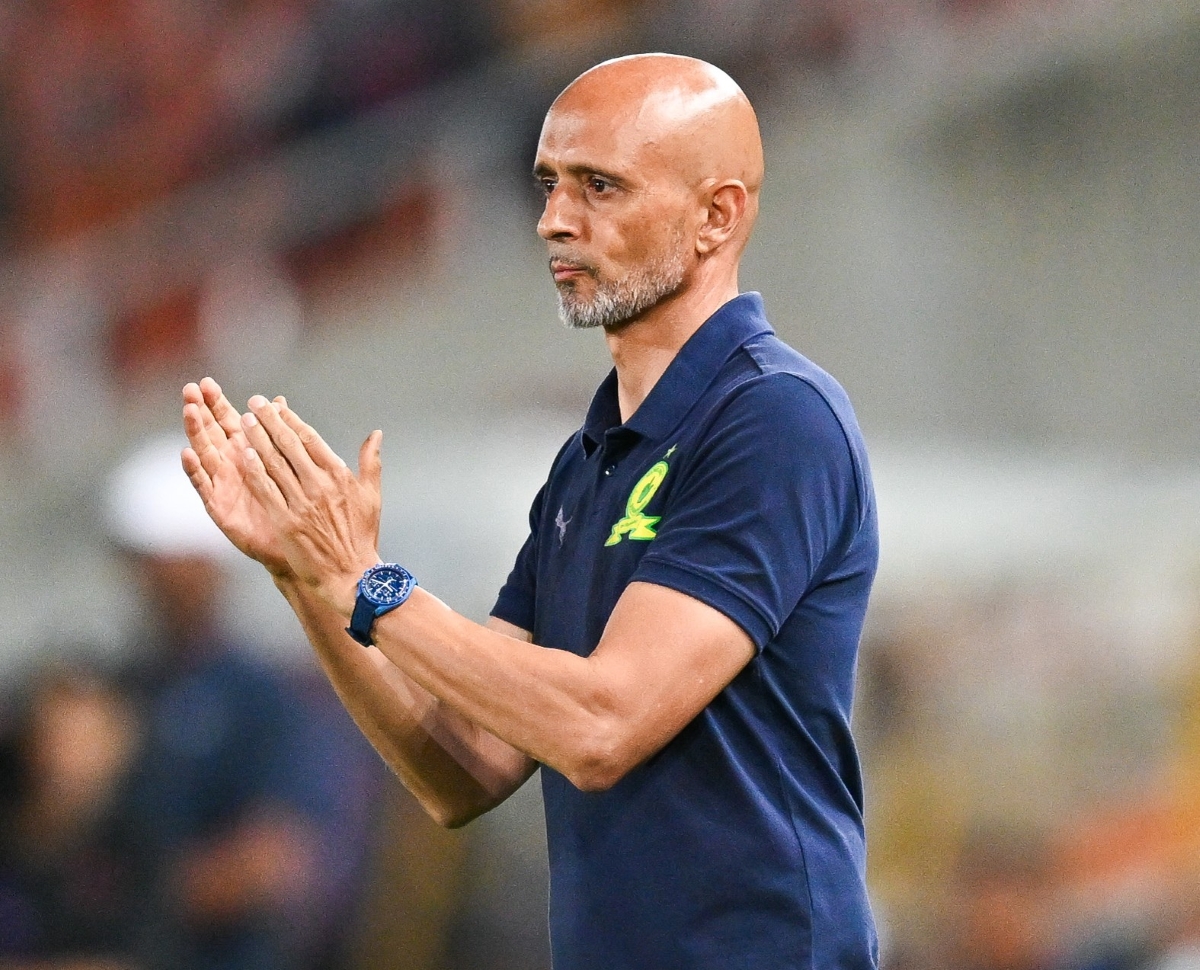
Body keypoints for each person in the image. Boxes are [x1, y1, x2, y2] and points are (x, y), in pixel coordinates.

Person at [181, 52, 880, 969]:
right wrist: (311, 580)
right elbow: (464, 765)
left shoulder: (774, 419)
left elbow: (601, 726)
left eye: (600, 186)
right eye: (549, 183)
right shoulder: (587, 464)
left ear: (718, 216)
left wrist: (368, 581)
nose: (555, 221)